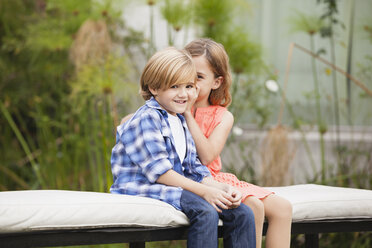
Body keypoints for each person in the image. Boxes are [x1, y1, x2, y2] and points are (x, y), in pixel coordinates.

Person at [111, 47, 256, 248]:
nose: (183, 94)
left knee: (243, 213)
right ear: (154, 88)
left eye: (189, 86)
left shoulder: (179, 119)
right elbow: (161, 173)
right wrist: (204, 192)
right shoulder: (147, 119)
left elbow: (192, 168)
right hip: (144, 187)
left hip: (175, 186)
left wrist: (219, 188)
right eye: (174, 87)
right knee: (206, 211)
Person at [183, 38, 292, 248]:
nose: (192, 84)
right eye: (186, 75)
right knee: (253, 206)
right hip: (195, 179)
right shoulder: (174, 108)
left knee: (283, 208)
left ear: (217, 82)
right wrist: (186, 111)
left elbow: (208, 156)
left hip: (214, 177)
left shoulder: (222, 116)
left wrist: (188, 114)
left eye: (198, 77)